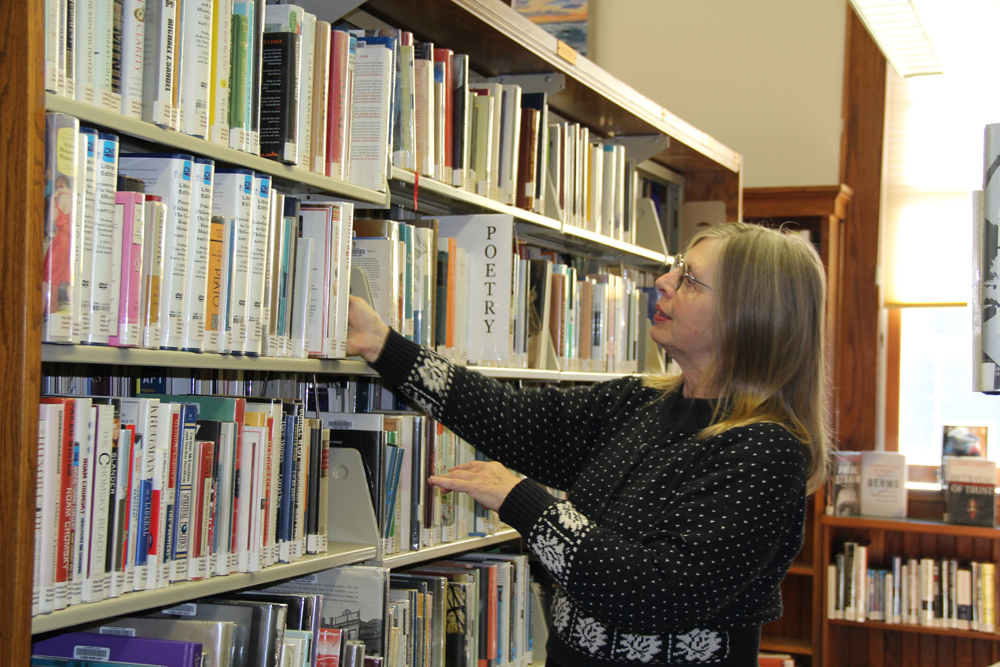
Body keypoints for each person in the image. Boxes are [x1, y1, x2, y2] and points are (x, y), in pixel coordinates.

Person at [346, 222, 831, 667]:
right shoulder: (639, 402)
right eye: (676, 267)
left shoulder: (766, 453)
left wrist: (523, 502)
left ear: (748, 315)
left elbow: (653, 592)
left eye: (688, 280)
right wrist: (383, 345)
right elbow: (513, 420)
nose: (663, 280)